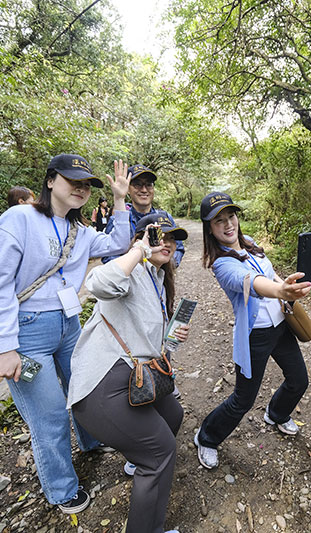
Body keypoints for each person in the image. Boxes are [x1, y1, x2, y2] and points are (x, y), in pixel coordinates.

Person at [0, 154, 132, 514]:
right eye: (72, 179)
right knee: (50, 415)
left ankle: (92, 442)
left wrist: (120, 199)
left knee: (85, 389)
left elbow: (119, 244)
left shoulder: (81, 231)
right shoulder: (19, 219)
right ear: (49, 181)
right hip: (27, 334)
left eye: (86, 183)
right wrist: (4, 345)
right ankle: (62, 490)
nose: (80, 188)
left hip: (68, 324)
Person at [68, 212, 189, 533]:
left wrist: (171, 338)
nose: (168, 243)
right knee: (160, 452)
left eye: (173, 237)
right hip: (100, 386)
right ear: (143, 238)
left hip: (135, 378)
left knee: (173, 415)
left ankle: (138, 458)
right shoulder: (132, 270)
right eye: (158, 235)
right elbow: (97, 283)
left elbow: (147, 340)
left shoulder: (160, 280)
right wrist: (137, 251)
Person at [193, 192, 311, 469]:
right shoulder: (221, 263)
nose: (228, 224)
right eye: (219, 221)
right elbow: (251, 281)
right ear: (209, 228)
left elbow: (269, 275)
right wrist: (280, 290)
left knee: (299, 379)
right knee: (242, 400)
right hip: (255, 335)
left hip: (281, 326)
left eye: (231, 217)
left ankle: (277, 414)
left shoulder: (251, 244)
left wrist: (289, 288)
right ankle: (207, 437)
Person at [103, 164, 185, 267]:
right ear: (128, 188)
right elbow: (108, 255)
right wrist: (134, 269)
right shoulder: (119, 220)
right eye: (137, 184)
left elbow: (178, 249)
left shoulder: (165, 217)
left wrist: (164, 265)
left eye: (149, 184)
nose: (144, 190)